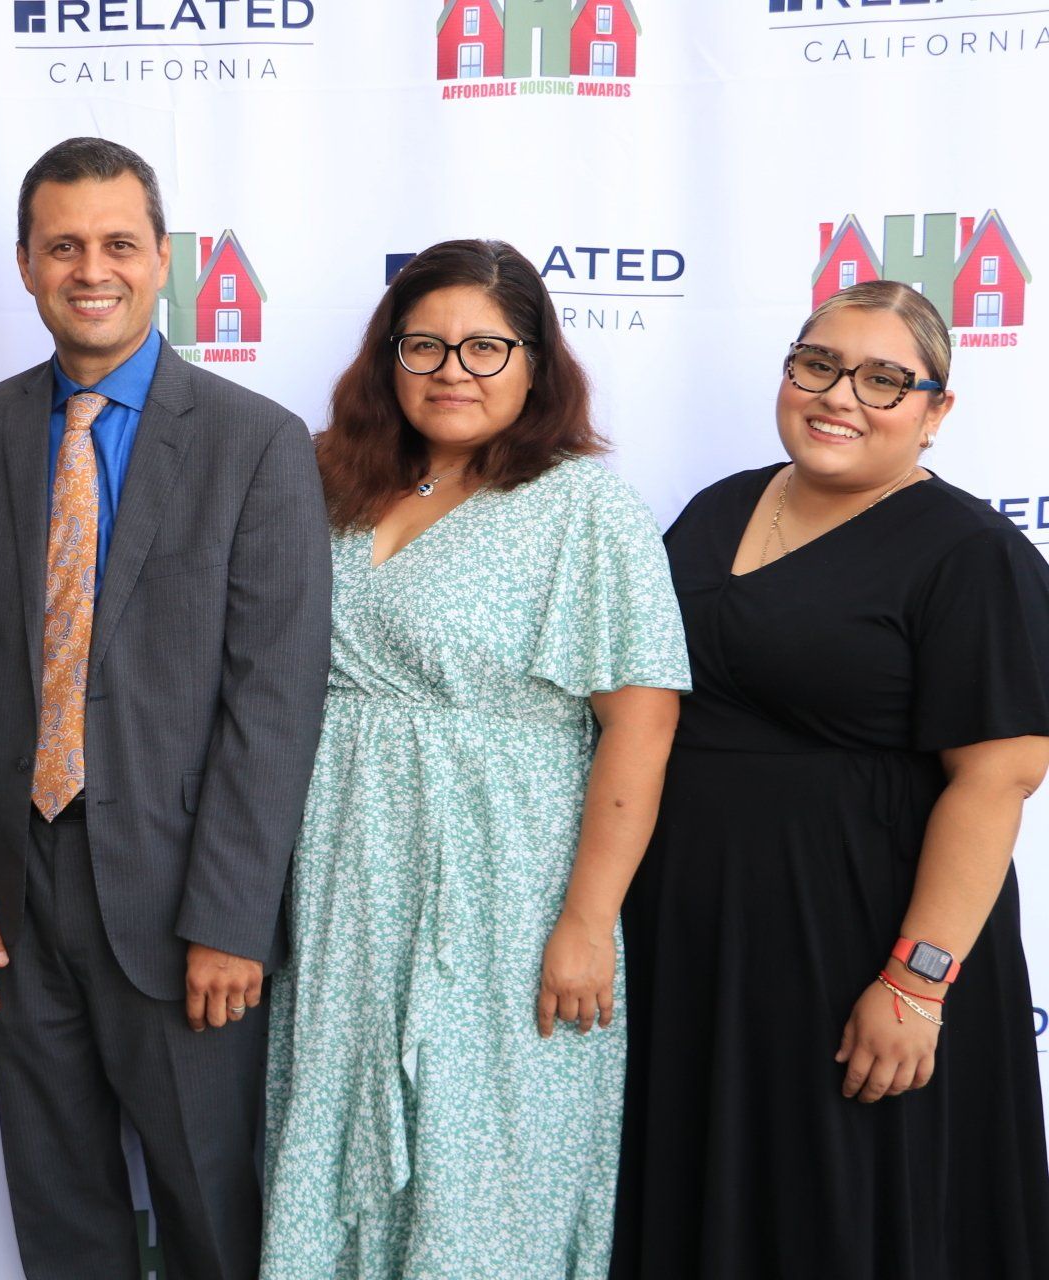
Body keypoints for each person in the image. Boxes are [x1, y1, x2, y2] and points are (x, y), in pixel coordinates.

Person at [0, 136, 331, 1280]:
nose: (90, 269)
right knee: (61, 1219)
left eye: (117, 244)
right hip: (11, 891)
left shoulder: (257, 441)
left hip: (182, 900)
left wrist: (232, 916)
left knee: (212, 1216)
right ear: (25, 263)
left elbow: (274, 700)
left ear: (162, 259)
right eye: (63, 246)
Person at [262, 239, 690, 1279]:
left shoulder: (585, 508)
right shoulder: (331, 484)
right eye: (425, 345)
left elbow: (640, 725)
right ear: (389, 358)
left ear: (536, 364)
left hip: (504, 894)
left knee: (483, 1169)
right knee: (333, 1146)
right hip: (345, 892)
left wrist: (586, 922)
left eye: (487, 347)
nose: (453, 369)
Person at [610, 280, 1049, 1278]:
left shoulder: (972, 553)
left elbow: (998, 779)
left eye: (885, 379)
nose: (840, 395)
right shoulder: (718, 507)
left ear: (936, 411)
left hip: (856, 947)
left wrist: (916, 982)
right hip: (697, 952)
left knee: (840, 1204)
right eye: (819, 365)